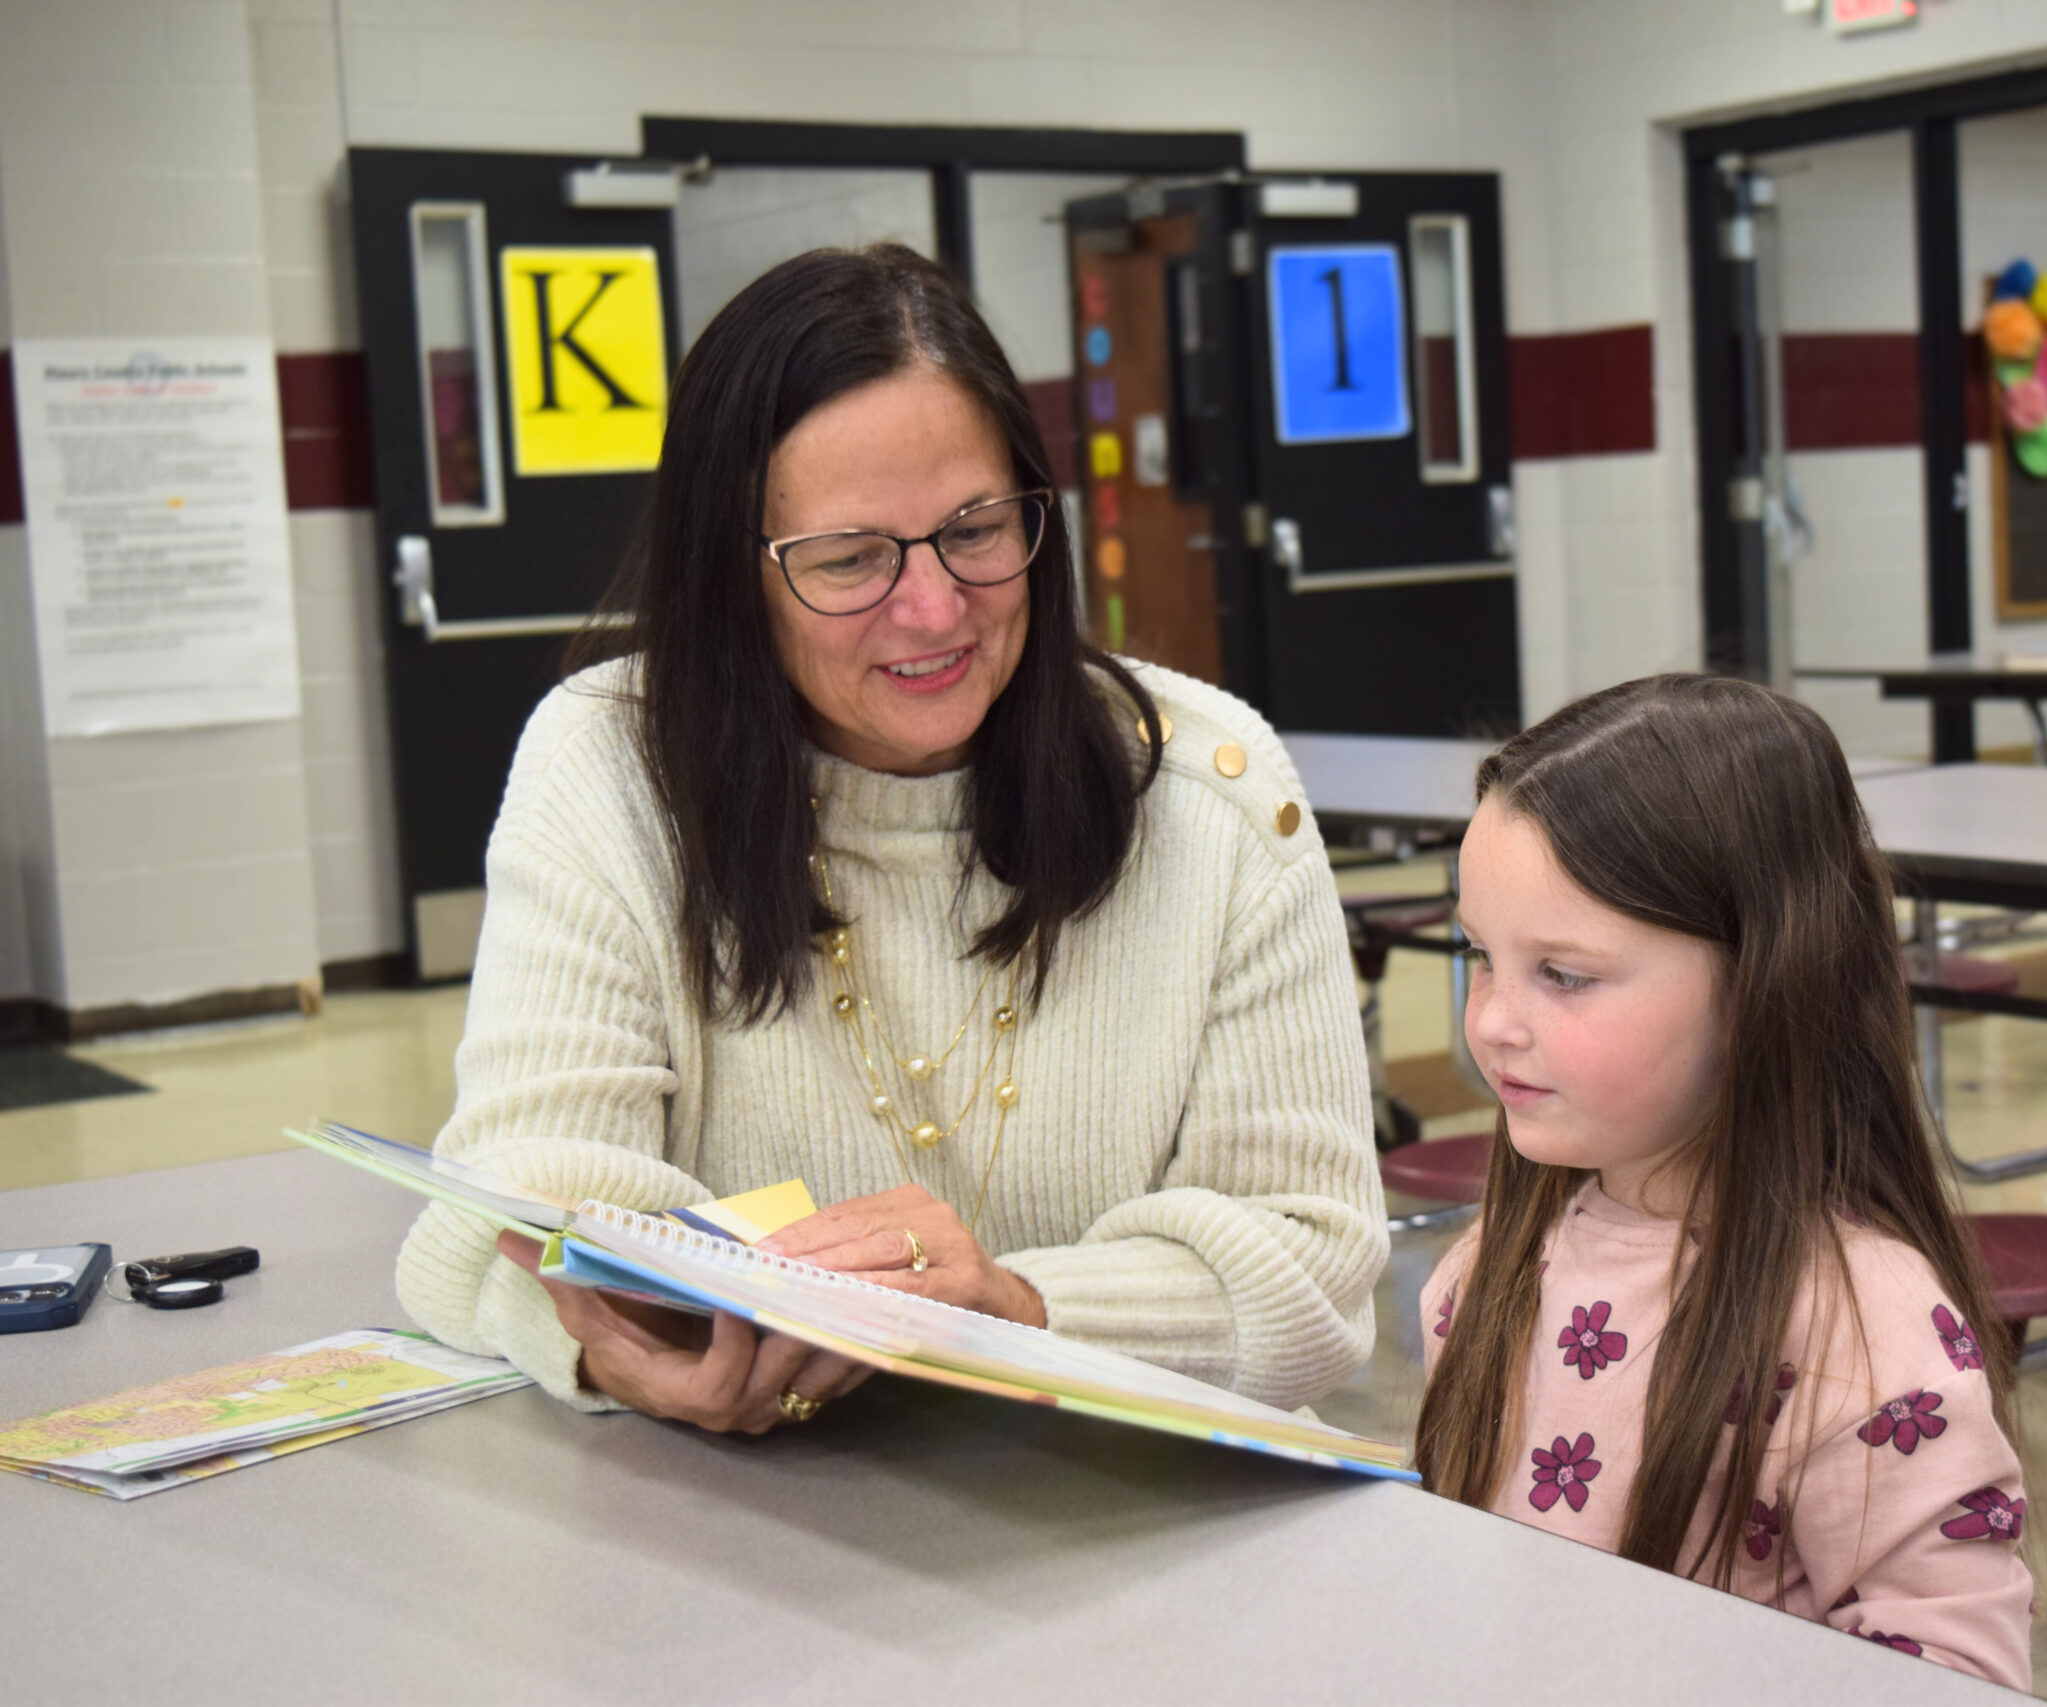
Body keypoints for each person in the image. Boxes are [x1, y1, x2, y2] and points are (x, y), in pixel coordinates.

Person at [395, 244, 1384, 1434]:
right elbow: (500, 1209)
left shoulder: (1209, 794)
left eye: (975, 529)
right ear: (733, 575)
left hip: (1121, 1502)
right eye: (851, 559)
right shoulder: (611, 766)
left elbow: (1315, 1265)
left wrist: (1014, 1309)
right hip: (747, 1525)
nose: (932, 608)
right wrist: (624, 1354)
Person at [1413, 675, 2033, 1690]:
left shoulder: (1863, 1337)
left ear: (1763, 985)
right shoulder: (1488, 1266)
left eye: (1562, 975)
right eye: (1479, 956)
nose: (1490, 1021)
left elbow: (1958, 1672)